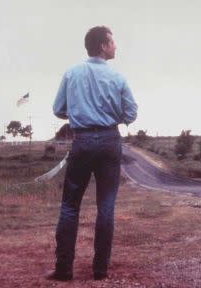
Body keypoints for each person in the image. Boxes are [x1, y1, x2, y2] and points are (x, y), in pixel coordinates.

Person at [46, 26, 138, 281]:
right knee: (105, 207)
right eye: (112, 42)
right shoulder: (118, 78)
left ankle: (63, 269)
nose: (115, 46)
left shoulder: (71, 73)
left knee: (69, 206)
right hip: (110, 140)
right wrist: (110, 116)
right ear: (102, 46)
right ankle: (100, 270)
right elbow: (131, 114)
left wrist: (80, 112)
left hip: (82, 140)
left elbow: (58, 109)